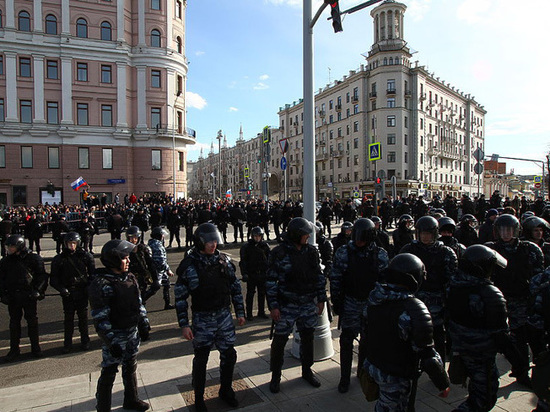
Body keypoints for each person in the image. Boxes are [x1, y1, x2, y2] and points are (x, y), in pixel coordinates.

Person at [363, 253, 450, 411]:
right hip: (396, 373)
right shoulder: (413, 308)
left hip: (374, 365)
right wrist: (442, 382)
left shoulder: (376, 297)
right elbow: (427, 354)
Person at [175, 222, 245, 411]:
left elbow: (235, 288)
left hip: (223, 316)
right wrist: (184, 324)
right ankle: (198, 398)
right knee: (201, 359)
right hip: (203, 319)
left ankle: (226, 390)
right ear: (200, 242)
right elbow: (180, 297)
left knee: (229, 355)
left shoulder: (224, 261)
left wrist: (240, 312)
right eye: (209, 241)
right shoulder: (190, 265)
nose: (213, 244)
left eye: (215, 240)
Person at [447, 244, 527, 412]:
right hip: (482, 353)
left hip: (461, 349)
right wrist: (518, 362)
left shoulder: (453, 285)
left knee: (476, 390)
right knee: (483, 399)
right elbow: (501, 335)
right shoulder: (489, 293)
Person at [266, 217, 327, 393]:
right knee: (279, 342)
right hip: (287, 305)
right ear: (296, 235)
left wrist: (321, 299)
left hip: (307, 303)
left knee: (308, 339)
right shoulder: (279, 253)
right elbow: (270, 281)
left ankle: (307, 371)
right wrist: (274, 306)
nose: (308, 236)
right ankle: (275, 376)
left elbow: (318, 277)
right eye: (305, 234)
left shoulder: (311, 252)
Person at [88, 240, 150, 412]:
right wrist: (111, 341)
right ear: (114, 260)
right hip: (115, 335)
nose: (128, 260)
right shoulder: (102, 284)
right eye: (125, 258)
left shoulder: (130, 278)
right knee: (109, 372)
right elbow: (100, 317)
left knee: (130, 366)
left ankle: (131, 399)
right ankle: (103, 407)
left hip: (131, 332)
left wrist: (144, 323)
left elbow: (138, 304)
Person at [330, 218, 389, 393]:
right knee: (347, 340)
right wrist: (337, 302)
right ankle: (344, 378)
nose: (358, 241)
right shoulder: (344, 252)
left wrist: (380, 303)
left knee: (368, 340)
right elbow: (336, 278)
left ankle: (363, 372)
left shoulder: (380, 254)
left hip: (372, 303)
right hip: (351, 302)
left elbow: (385, 281)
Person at [485, 214, 545, 386]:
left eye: (509, 230)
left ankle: (537, 372)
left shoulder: (530, 249)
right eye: (502, 230)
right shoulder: (491, 250)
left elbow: (538, 276)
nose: (506, 234)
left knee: (533, 339)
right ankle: (520, 370)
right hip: (501, 300)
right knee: (510, 340)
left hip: (526, 300)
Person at [400, 215, 458, 364]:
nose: (425, 237)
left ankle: (439, 365)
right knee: (413, 333)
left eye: (428, 234)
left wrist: (449, 302)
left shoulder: (445, 252)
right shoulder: (409, 249)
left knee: (437, 333)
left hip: (436, 299)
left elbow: (451, 278)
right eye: (422, 234)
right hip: (414, 298)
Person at [0, 234, 48, 362]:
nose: (9, 249)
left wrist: (38, 290)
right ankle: (14, 349)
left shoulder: (33, 258)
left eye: (12, 247)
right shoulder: (5, 261)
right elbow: (1, 280)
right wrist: (2, 295)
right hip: (13, 296)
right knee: (14, 324)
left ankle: (36, 348)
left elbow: (42, 276)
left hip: (28, 296)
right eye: (8, 247)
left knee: (32, 322)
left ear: (20, 246)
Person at [49, 232, 95, 353]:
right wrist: (61, 289)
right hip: (68, 292)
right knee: (68, 319)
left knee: (83, 318)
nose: (71, 246)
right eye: (69, 244)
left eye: (74, 243)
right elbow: (53, 278)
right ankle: (67, 343)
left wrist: (88, 287)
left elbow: (93, 275)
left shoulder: (85, 256)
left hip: (81, 291)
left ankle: (85, 340)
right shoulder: (59, 259)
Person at [239, 226, 270, 321]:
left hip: (262, 273)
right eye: (255, 236)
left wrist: (269, 272)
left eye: (259, 236)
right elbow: (243, 262)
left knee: (262, 293)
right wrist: (244, 273)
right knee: (250, 294)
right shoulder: (246, 247)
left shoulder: (265, 246)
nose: (257, 238)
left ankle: (261, 312)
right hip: (251, 274)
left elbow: (269, 260)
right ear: (252, 236)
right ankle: (249, 314)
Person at [127, 226, 160, 306]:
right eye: (130, 238)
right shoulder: (125, 249)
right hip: (130, 278)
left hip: (142, 277)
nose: (133, 240)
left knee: (142, 297)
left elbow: (150, 263)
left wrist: (155, 279)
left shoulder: (143, 249)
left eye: (135, 238)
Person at [147, 227, 175, 310]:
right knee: (155, 287)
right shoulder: (157, 246)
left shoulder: (152, 243)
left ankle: (167, 303)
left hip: (160, 270)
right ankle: (141, 300)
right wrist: (168, 269)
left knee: (167, 284)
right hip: (158, 270)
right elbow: (161, 261)